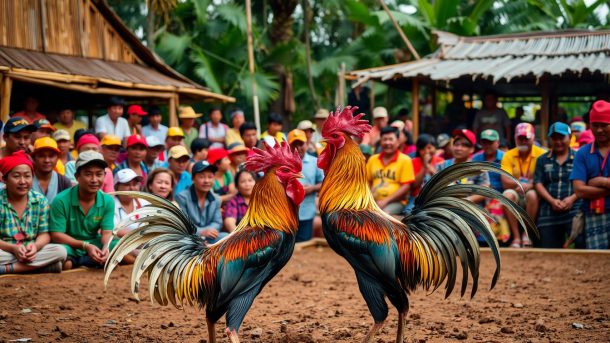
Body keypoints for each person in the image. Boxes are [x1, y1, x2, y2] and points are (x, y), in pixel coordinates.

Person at [50, 151, 132, 269]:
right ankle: (84, 261)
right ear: (77, 176)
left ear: (104, 175)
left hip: (95, 243)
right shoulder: (61, 200)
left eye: (99, 174)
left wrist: (105, 249)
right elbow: (56, 235)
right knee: (61, 253)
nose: (94, 180)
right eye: (88, 174)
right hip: (70, 245)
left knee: (119, 246)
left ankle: (82, 261)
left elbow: (106, 232)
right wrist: (85, 246)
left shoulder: (107, 200)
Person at [0, 151, 66, 274]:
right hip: (5, 250)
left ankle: (7, 269)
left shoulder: (40, 200)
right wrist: (13, 248)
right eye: (16, 176)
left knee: (60, 251)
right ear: (5, 179)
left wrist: (35, 247)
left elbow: (45, 234)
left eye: (27, 176)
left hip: (32, 250)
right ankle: (43, 267)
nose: (22, 181)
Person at [534, 122, 581, 248]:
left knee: (580, 245)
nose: (558, 141)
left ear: (570, 138)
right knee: (547, 249)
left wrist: (571, 199)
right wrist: (552, 201)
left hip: (574, 209)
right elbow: (538, 183)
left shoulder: (579, 157)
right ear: (550, 139)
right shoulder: (542, 159)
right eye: (554, 138)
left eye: (562, 138)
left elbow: (584, 182)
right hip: (548, 211)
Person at [571, 100, 610, 249]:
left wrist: (600, 181)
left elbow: (584, 188)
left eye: (604, 125)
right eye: (595, 125)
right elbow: (579, 190)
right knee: (597, 263)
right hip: (594, 214)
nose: (599, 130)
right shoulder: (583, 153)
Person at [501, 122, 546, 248]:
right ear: (515, 138)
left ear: (533, 138)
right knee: (507, 195)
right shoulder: (508, 155)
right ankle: (516, 237)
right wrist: (520, 184)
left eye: (526, 138)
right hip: (515, 190)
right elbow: (505, 181)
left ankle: (527, 235)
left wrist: (531, 184)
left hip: (533, 191)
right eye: (520, 138)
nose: (523, 141)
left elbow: (542, 178)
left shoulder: (541, 154)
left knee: (532, 195)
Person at [366, 126, 415, 215]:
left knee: (383, 215)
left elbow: (406, 187)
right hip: (373, 201)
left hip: (396, 202)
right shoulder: (372, 159)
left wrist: (385, 201)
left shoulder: (405, 160)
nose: (387, 142)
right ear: (380, 141)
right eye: (384, 139)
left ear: (398, 142)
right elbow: (367, 182)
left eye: (391, 139)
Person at [176, 160, 226, 244]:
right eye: (202, 177)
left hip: (209, 236)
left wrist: (209, 231)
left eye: (210, 177)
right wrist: (201, 232)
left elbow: (217, 222)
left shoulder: (216, 199)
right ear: (193, 179)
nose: (206, 181)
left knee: (226, 237)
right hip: (189, 238)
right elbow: (183, 224)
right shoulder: (182, 197)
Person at [435, 129, 490, 203]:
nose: (458, 148)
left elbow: (485, 190)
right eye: (456, 144)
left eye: (464, 145)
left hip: (471, 210)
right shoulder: (442, 166)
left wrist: (465, 202)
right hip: (444, 208)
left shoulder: (478, 168)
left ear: (472, 149)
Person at [288, 129, 324, 242]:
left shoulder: (315, 162)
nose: (298, 148)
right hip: (287, 214)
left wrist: (312, 188)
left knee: (303, 245)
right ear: (289, 146)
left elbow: (324, 183)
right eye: (294, 144)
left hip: (306, 213)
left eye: (301, 144)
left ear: (306, 144)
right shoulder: (284, 163)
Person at [31, 137, 72, 203]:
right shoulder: (26, 180)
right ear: (34, 158)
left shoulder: (63, 182)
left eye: (51, 156)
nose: (47, 160)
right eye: (41, 156)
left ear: (57, 158)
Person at [408, 134, 443, 209]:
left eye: (429, 147)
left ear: (435, 147)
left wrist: (429, 166)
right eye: (422, 149)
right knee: (409, 212)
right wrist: (424, 166)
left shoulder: (440, 161)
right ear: (418, 150)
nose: (426, 151)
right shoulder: (413, 162)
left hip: (435, 197)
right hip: (416, 198)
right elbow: (414, 185)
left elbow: (441, 181)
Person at [112, 169, 149, 237]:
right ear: (117, 187)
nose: (132, 188)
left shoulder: (144, 203)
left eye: (135, 184)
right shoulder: (110, 205)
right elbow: (113, 230)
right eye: (127, 184)